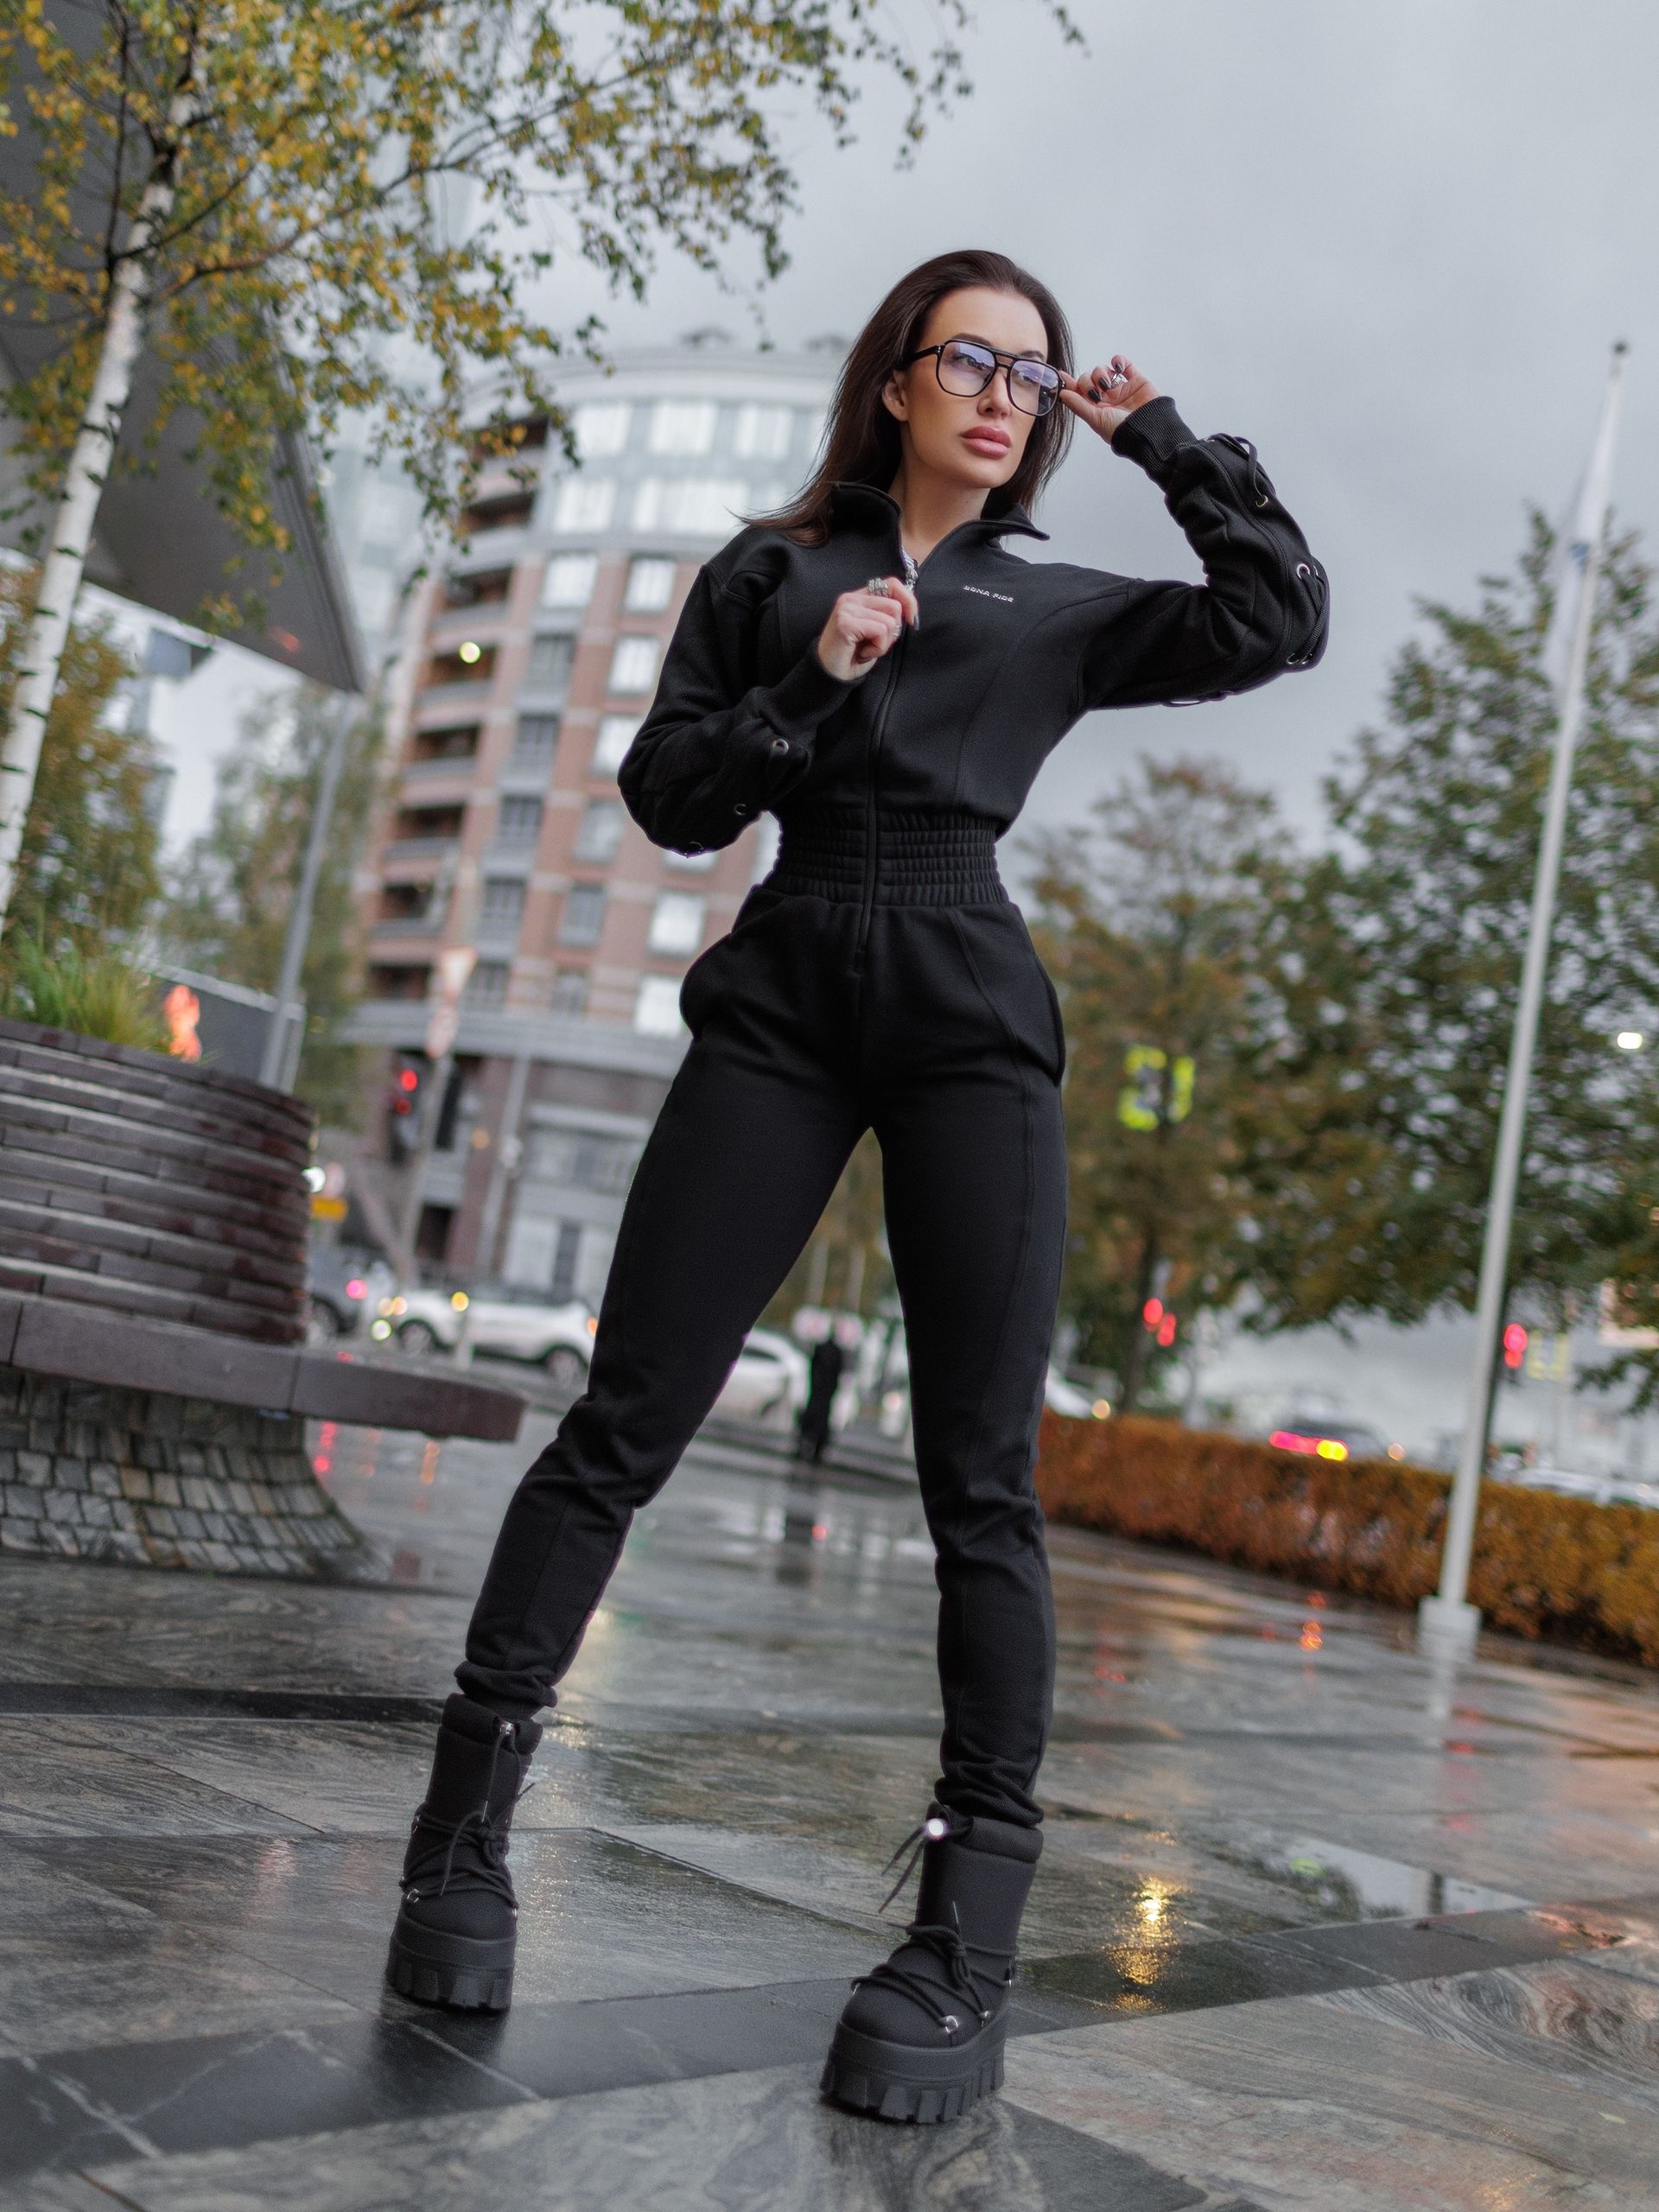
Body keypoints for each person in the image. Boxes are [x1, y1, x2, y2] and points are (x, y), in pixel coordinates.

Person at [385, 249, 1327, 2123]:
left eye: (1034, 376)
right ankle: (460, 1847)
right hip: (788, 988)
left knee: (982, 1481)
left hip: (969, 1001)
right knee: (622, 1422)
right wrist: (808, 691)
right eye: (971, 359)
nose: (1003, 395)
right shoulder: (772, 574)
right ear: (896, 377)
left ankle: (963, 1947)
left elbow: (1279, 619)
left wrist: (1164, 443)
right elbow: (672, 799)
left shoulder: (1059, 603)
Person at [796, 1327, 846, 1462]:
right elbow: (838, 1373)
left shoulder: (821, 1349)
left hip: (817, 1391)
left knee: (810, 1421)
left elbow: (813, 1367)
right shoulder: (837, 1352)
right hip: (825, 1394)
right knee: (820, 1422)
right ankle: (816, 1452)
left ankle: (804, 1448)